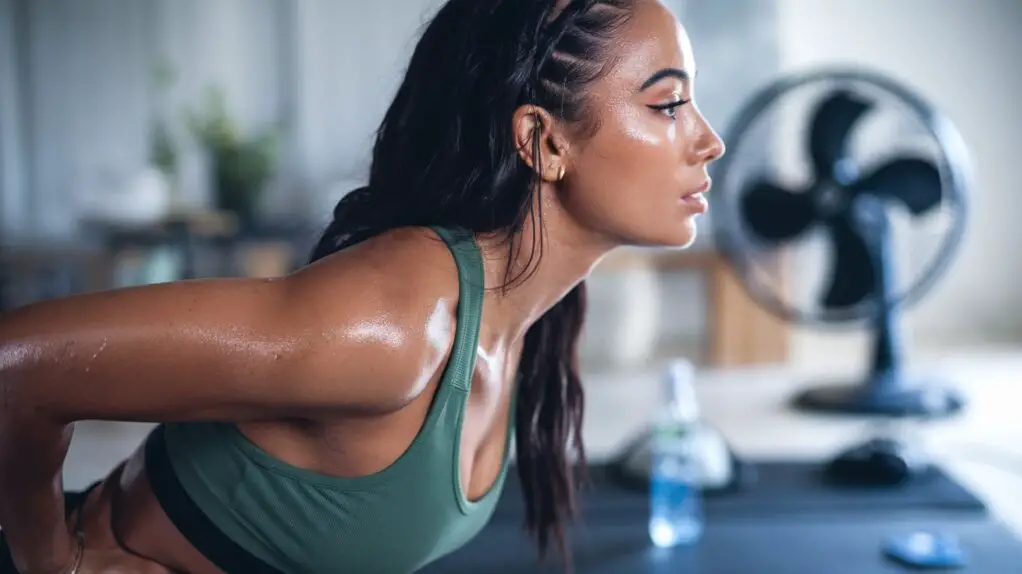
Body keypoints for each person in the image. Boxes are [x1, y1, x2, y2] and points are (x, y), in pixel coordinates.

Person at [0, 0, 724, 571]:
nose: (708, 140)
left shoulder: (516, 316)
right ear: (543, 140)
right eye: (668, 105)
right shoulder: (400, 316)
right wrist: (53, 562)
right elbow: (14, 370)